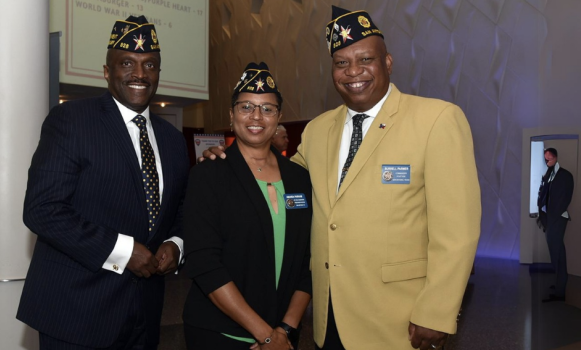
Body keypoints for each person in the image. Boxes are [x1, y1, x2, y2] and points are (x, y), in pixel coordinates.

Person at [202, 6, 481, 350]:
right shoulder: (319, 130)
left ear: (388, 63)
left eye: (365, 59)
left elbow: (458, 230)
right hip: (327, 315)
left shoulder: (436, 119)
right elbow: (284, 176)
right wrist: (226, 159)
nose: (353, 72)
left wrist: (437, 311)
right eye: (341, 63)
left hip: (399, 320)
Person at [16, 15, 190, 349]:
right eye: (127, 63)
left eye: (149, 65)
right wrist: (123, 251)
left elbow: (180, 207)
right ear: (107, 71)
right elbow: (42, 210)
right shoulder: (71, 121)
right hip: (76, 314)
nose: (139, 74)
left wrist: (176, 244)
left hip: (146, 315)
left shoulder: (172, 139)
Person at [183, 62, 312, 350]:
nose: (256, 116)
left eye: (267, 108)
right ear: (231, 115)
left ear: (278, 117)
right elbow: (205, 265)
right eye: (246, 107)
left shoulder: (300, 178)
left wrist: (285, 330)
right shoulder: (208, 175)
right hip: (220, 335)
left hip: (284, 334)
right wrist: (266, 334)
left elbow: (309, 262)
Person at [537, 147, 574, 302]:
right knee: (557, 253)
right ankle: (560, 285)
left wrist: (552, 218)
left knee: (557, 254)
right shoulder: (548, 174)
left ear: (556, 157)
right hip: (549, 219)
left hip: (557, 219)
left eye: (549, 159)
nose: (547, 161)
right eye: (545, 159)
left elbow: (565, 199)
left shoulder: (565, 175)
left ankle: (560, 292)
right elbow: (544, 196)